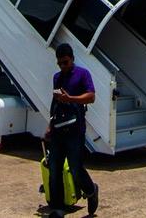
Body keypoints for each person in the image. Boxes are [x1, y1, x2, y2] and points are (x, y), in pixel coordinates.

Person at [45, 43, 99, 216]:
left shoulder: (83, 74)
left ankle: (91, 190)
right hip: (58, 130)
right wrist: (49, 125)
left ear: (72, 59)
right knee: (54, 169)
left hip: (75, 131)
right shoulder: (57, 77)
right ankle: (58, 208)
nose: (63, 66)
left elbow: (91, 97)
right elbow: (54, 103)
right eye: (60, 63)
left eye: (65, 62)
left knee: (75, 168)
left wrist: (71, 99)